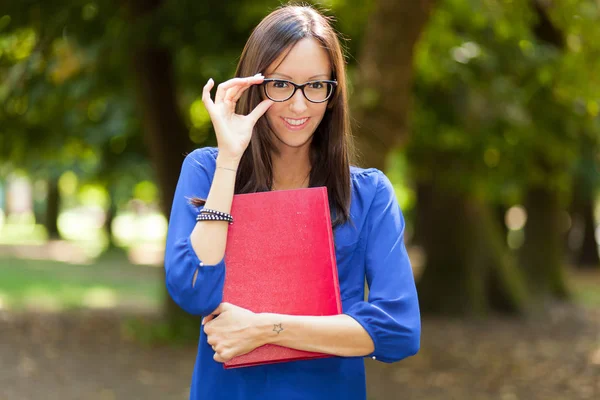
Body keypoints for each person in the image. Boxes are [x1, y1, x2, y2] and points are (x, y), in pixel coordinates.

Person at [163, 4, 420, 399]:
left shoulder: (368, 195)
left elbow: (399, 330)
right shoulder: (208, 171)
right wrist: (230, 160)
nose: (299, 106)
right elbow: (193, 290)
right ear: (254, 84)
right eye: (281, 84)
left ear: (333, 94)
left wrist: (265, 329)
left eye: (316, 86)